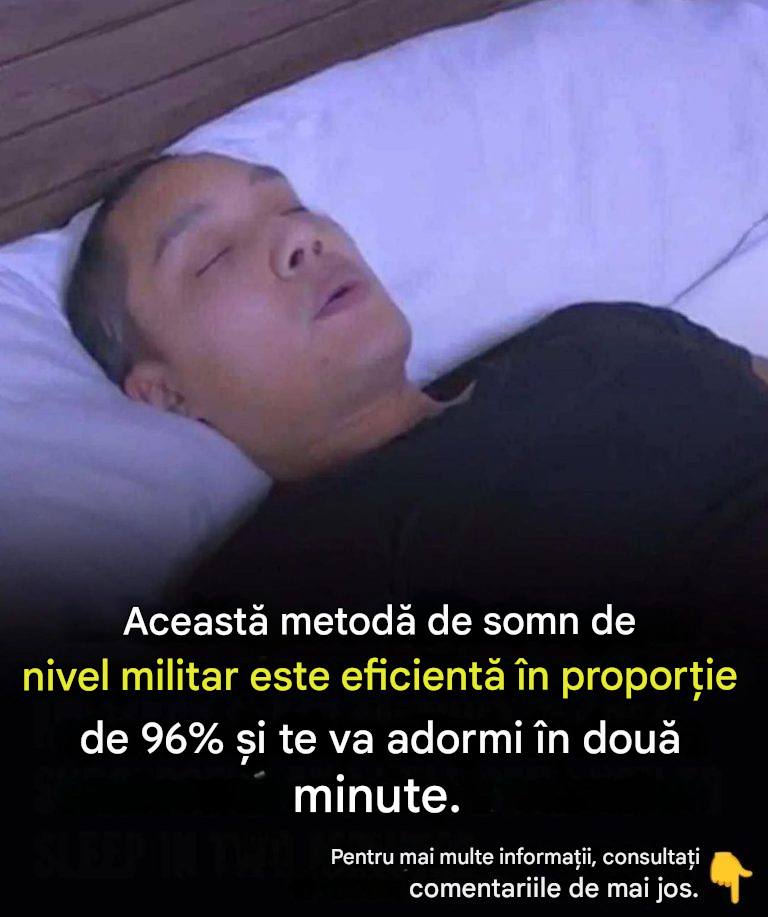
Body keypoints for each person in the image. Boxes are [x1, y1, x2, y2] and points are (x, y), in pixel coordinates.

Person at [65, 151, 768, 622]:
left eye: (291, 207)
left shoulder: (594, 336)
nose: (301, 239)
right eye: (215, 255)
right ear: (166, 394)